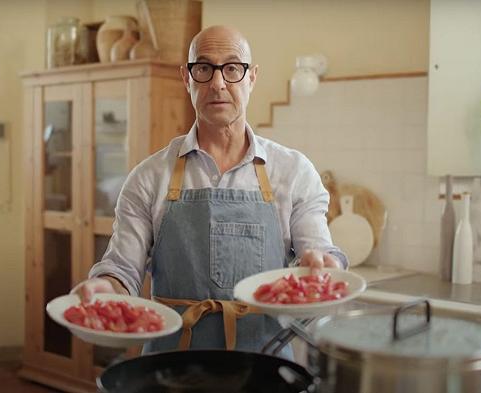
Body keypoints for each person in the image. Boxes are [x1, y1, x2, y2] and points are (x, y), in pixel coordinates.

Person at [72, 25, 348, 357]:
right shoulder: (148, 177)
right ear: (187, 78)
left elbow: (318, 253)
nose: (218, 83)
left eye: (232, 68)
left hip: (263, 363)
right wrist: (105, 287)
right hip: (172, 364)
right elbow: (122, 270)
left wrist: (324, 265)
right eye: (204, 68)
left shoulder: (293, 171)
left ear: (252, 78)